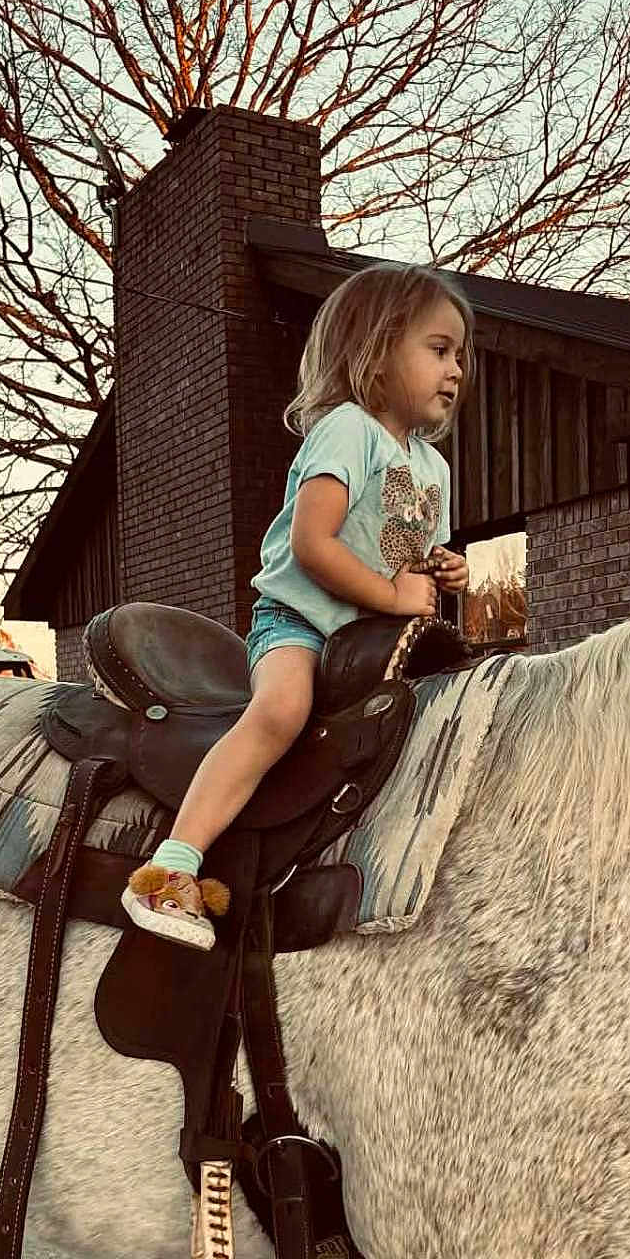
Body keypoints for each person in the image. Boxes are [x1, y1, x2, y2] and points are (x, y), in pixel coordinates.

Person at [123, 262, 474, 949]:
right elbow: (314, 544)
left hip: (371, 642)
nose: (456, 368)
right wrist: (394, 593)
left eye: (460, 354)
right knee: (280, 712)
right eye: (438, 349)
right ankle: (173, 866)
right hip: (302, 623)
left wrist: (443, 568)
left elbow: (409, 556)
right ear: (376, 351)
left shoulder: (433, 466)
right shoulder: (348, 430)